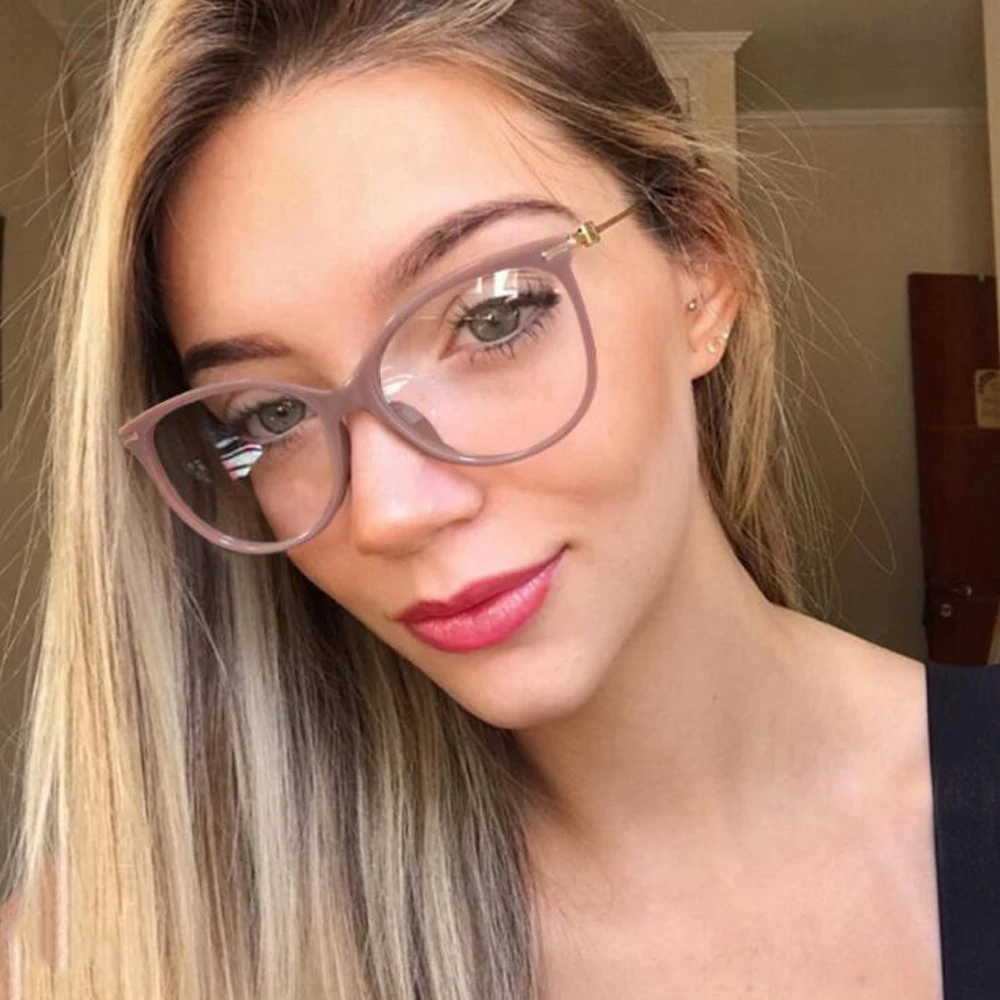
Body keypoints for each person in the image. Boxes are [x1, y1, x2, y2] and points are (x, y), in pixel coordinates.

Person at [2, 0, 997, 998]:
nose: (389, 510)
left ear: (701, 270)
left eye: (492, 315)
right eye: (271, 413)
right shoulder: (145, 935)